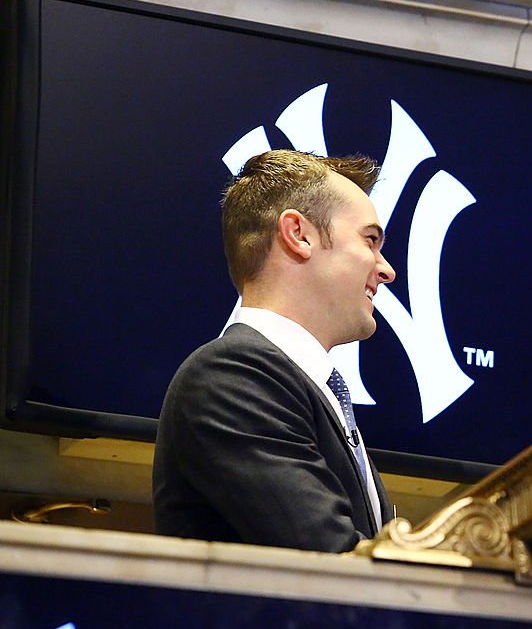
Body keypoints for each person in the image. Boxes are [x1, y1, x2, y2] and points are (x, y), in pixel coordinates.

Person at [153, 149, 395, 553]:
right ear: (299, 235)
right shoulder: (233, 376)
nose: (386, 269)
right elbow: (326, 558)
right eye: (370, 240)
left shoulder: (304, 386)